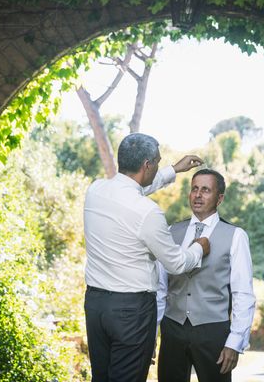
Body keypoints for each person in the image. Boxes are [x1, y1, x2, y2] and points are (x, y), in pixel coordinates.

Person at [83, 132, 210, 382]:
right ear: (147, 165)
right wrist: (199, 248)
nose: (159, 165)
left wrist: (173, 170)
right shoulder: (147, 212)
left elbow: (132, 190)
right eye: (158, 162)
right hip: (131, 311)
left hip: (96, 305)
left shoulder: (95, 190)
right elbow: (175, 263)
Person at [157, 168, 256, 382]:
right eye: (194, 189)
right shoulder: (172, 231)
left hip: (213, 332)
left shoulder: (236, 236)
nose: (198, 195)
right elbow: (160, 287)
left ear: (219, 198)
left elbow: (243, 294)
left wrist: (234, 342)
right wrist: (152, 331)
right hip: (172, 328)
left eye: (205, 190)